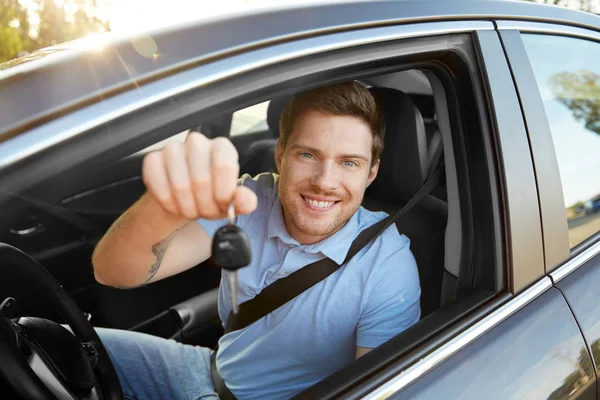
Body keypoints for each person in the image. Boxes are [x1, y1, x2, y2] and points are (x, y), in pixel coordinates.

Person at [91, 81, 421, 400]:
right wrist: (163, 208)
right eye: (308, 155)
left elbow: (375, 390)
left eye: (349, 162)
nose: (325, 182)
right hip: (208, 371)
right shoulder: (250, 198)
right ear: (280, 155)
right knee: (55, 345)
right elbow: (112, 271)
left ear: (372, 172)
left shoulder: (387, 266)